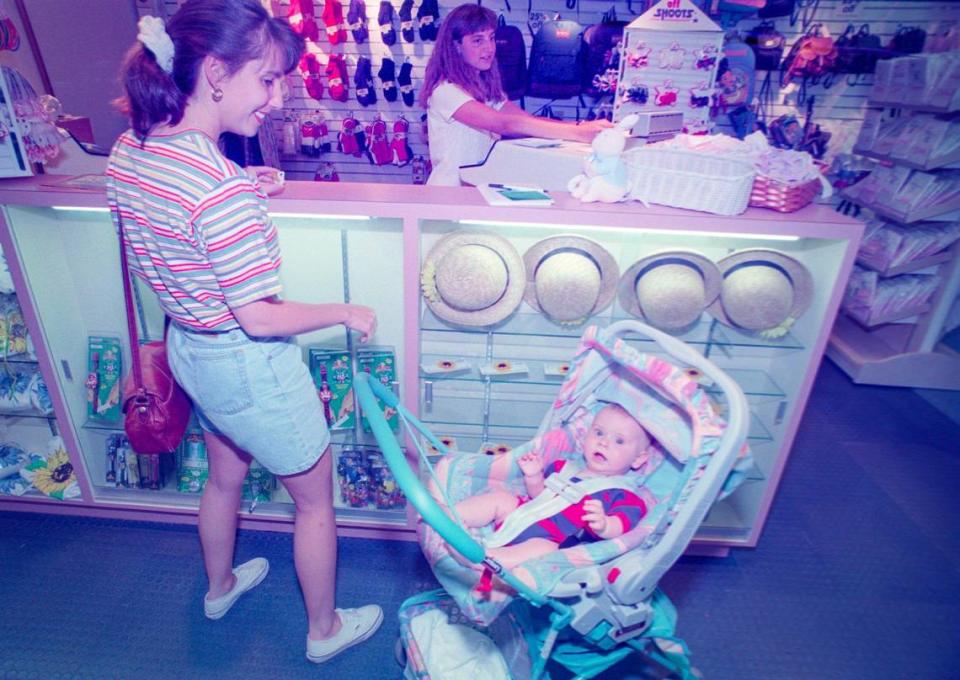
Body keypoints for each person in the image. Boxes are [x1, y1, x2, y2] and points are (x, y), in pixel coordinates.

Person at [106, 0, 382, 664]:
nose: (277, 96)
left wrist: (239, 188)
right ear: (215, 73)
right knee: (315, 504)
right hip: (249, 364)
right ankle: (322, 632)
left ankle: (219, 586)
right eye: (267, 78)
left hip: (190, 351)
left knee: (223, 479)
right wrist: (344, 311)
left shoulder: (131, 150)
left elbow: (174, 216)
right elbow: (258, 315)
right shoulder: (218, 189)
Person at [419, 3, 613, 186]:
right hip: (450, 193)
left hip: (478, 188)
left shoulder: (484, 88)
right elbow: (505, 124)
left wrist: (579, 126)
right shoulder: (445, 91)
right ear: (456, 46)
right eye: (478, 40)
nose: (489, 47)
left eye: (491, 37)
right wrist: (578, 133)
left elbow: (524, 119)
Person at [455, 404, 652, 570]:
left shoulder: (625, 496)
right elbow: (539, 495)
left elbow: (621, 529)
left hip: (550, 538)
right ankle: (450, 517)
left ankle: (483, 558)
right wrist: (533, 476)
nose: (603, 442)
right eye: (599, 432)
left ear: (638, 458)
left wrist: (604, 524)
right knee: (501, 498)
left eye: (619, 440)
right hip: (521, 515)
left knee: (545, 551)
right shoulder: (563, 466)